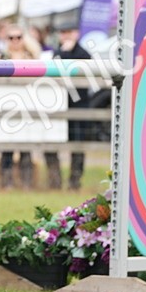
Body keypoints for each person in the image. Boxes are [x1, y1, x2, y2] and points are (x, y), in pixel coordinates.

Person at [0, 26, 42, 189]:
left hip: (26, 106)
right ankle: (7, 183)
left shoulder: (32, 57)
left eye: (18, 37)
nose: (15, 41)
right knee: (7, 149)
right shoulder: (0, 56)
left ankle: (27, 183)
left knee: (26, 147)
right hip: (6, 106)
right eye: (11, 38)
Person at [51, 23, 94, 191]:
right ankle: (55, 181)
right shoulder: (58, 52)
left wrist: (66, 52)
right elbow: (55, 67)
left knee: (78, 145)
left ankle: (75, 181)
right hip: (60, 104)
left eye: (68, 31)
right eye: (63, 32)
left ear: (76, 33)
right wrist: (64, 52)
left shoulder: (84, 53)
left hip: (79, 104)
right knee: (54, 142)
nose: (66, 36)